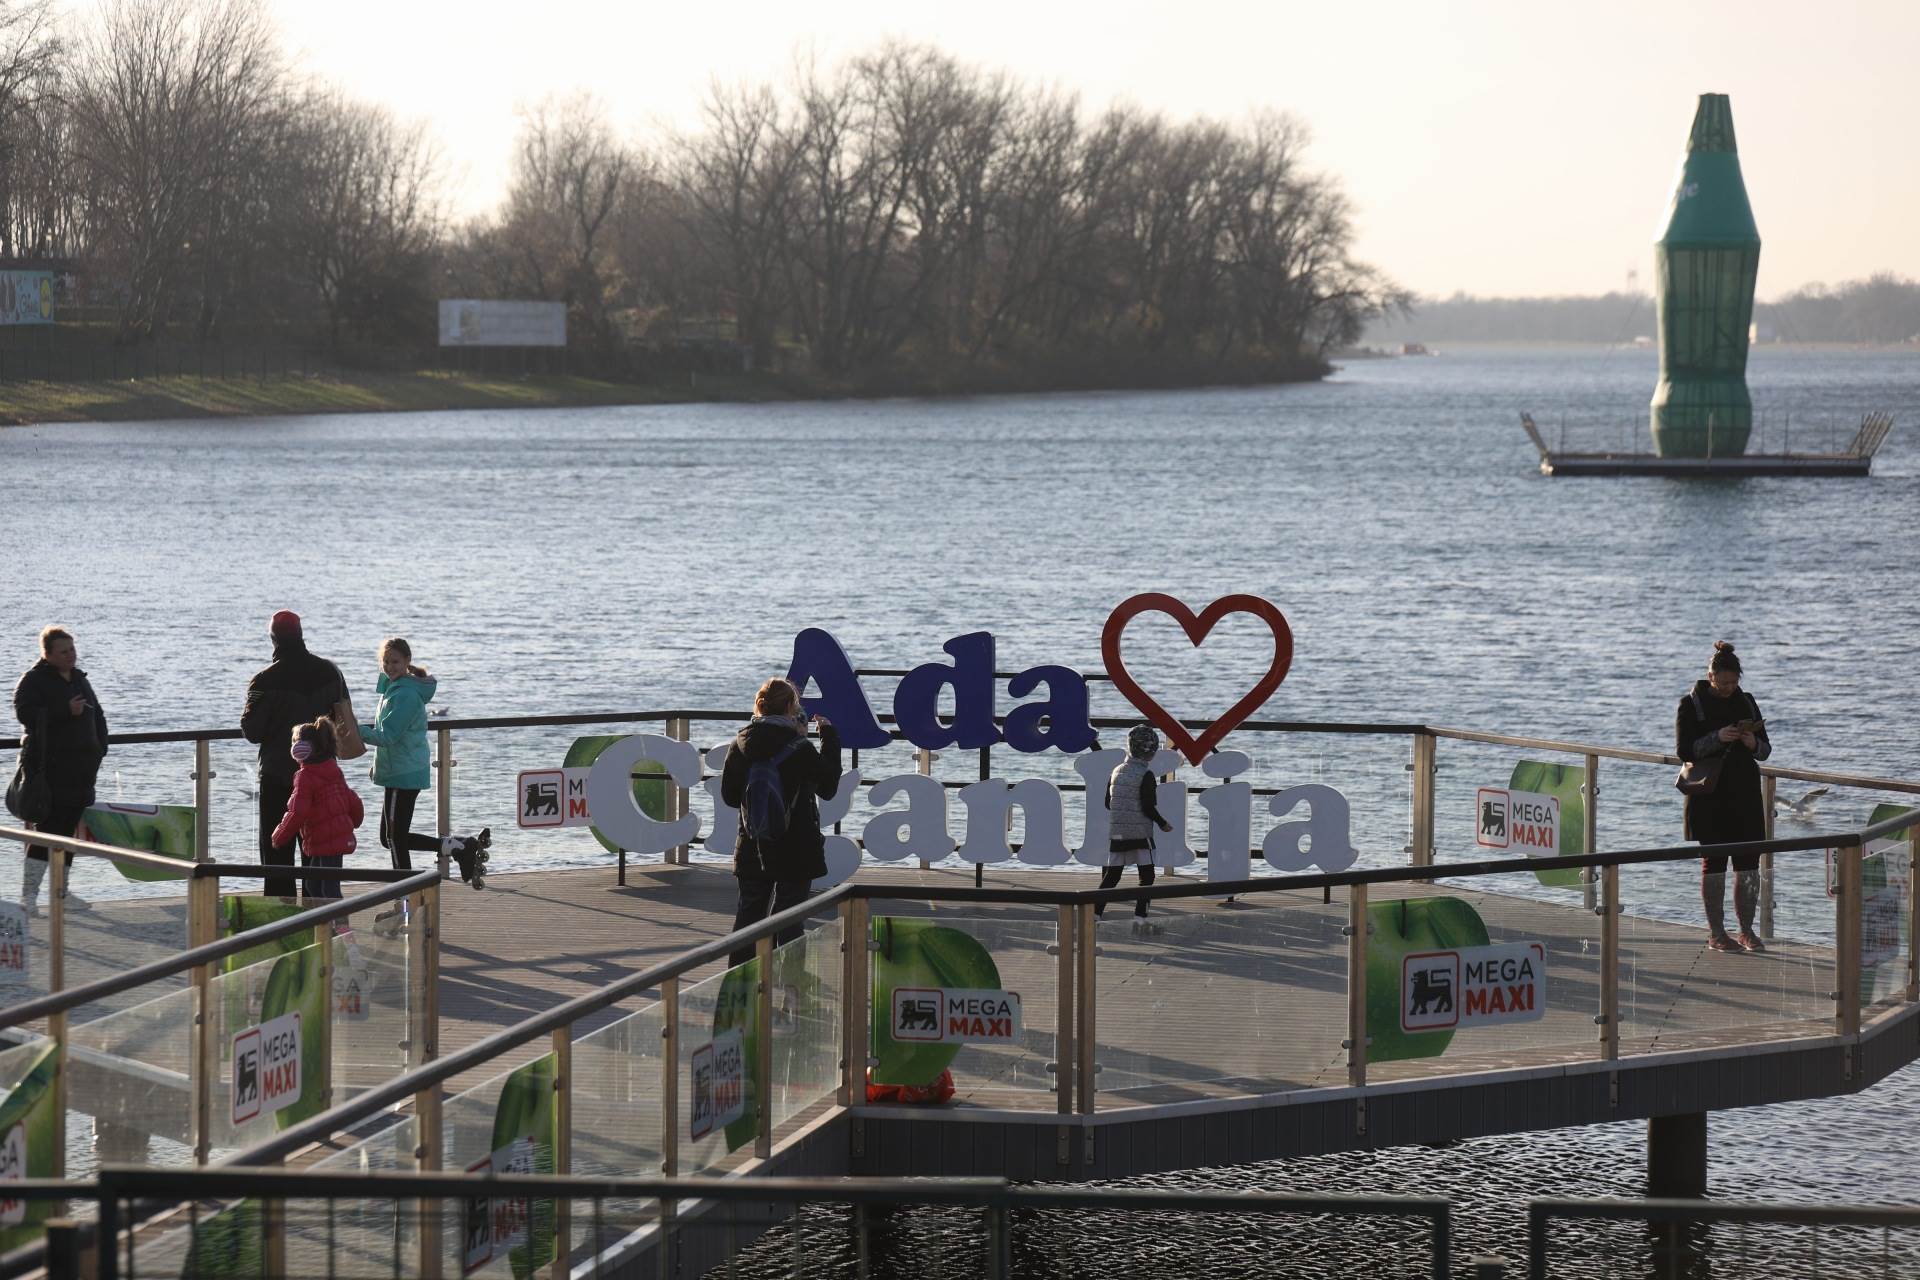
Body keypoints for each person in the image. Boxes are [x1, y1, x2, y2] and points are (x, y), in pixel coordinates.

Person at [718, 677, 840, 968]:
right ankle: (791, 987)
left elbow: (730, 797)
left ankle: (740, 988)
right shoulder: (799, 747)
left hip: (753, 842)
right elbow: (828, 787)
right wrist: (828, 737)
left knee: (749, 917)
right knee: (789, 919)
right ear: (789, 707)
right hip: (796, 846)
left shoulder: (740, 742)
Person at [359, 637, 489, 895]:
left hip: (403, 773)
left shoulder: (405, 693)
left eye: (395, 661)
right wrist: (378, 765)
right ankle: (458, 847)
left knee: (395, 839)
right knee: (389, 837)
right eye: (386, 661)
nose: (390, 666)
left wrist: (355, 730)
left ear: (407, 662)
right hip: (397, 770)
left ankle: (404, 897)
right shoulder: (393, 689)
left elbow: (389, 736)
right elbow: (391, 733)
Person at [242, 612, 348, 898]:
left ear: (273, 638)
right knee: (317, 855)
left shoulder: (264, 680)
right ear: (301, 634)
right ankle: (319, 922)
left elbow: (252, 731)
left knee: (277, 852)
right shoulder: (330, 672)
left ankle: (281, 924)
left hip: (277, 776)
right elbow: (344, 723)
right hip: (322, 777)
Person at [1676, 640, 1772, 952]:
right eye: (1724, 682)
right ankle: (1717, 933)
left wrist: (1750, 742)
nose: (1730, 688)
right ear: (1711, 676)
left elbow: (1766, 751)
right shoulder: (1691, 704)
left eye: (1735, 682)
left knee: (1749, 864)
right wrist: (1717, 737)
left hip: (1744, 795)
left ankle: (1747, 931)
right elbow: (1684, 750)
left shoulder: (1747, 701)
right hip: (1710, 796)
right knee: (1714, 862)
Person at [12, 627, 108, 911]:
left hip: (81, 771)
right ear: (48, 654)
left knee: (67, 834)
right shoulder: (33, 680)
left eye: (72, 649)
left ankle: (61, 893)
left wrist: (100, 748)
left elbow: (98, 715)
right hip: (49, 770)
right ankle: (28, 896)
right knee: (46, 833)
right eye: (64, 651)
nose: (71, 655)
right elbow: (25, 715)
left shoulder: (79, 679)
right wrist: (65, 710)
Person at [270, 719, 363, 900]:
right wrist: (354, 821)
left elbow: (298, 811)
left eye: (295, 741)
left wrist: (280, 836)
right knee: (314, 884)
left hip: (327, 839)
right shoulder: (331, 768)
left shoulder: (305, 776)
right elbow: (350, 798)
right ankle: (324, 924)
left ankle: (342, 927)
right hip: (329, 838)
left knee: (329, 889)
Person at [1097, 724, 1175, 933]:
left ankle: (1095, 914)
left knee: (1111, 877)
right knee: (1147, 877)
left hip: (1117, 833)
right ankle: (1140, 917)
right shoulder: (1146, 775)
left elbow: (1107, 803)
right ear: (1151, 751)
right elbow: (1148, 807)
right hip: (1140, 834)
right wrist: (1163, 823)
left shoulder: (1116, 771)